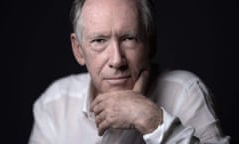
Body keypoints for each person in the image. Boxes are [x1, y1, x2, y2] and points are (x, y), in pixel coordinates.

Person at [28, 0, 230, 143]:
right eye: (99, 41)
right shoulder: (55, 104)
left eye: (129, 38)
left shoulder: (185, 93)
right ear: (78, 50)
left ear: (151, 43)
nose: (117, 60)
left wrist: (152, 121)